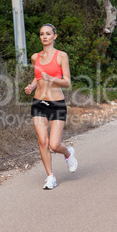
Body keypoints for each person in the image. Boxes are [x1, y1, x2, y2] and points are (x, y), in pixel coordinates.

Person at [25, 23, 78, 189]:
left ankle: (68, 154)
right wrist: (32, 86)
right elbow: (38, 76)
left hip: (57, 104)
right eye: (42, 34)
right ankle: (50, 177)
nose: (45, 36)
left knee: (55, 145)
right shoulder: (35, 57)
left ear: (55, 36)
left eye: (48, 33)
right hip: (39, 102)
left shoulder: (62, 56)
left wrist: (52, 78)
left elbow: (67, 82)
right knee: (43, 141)